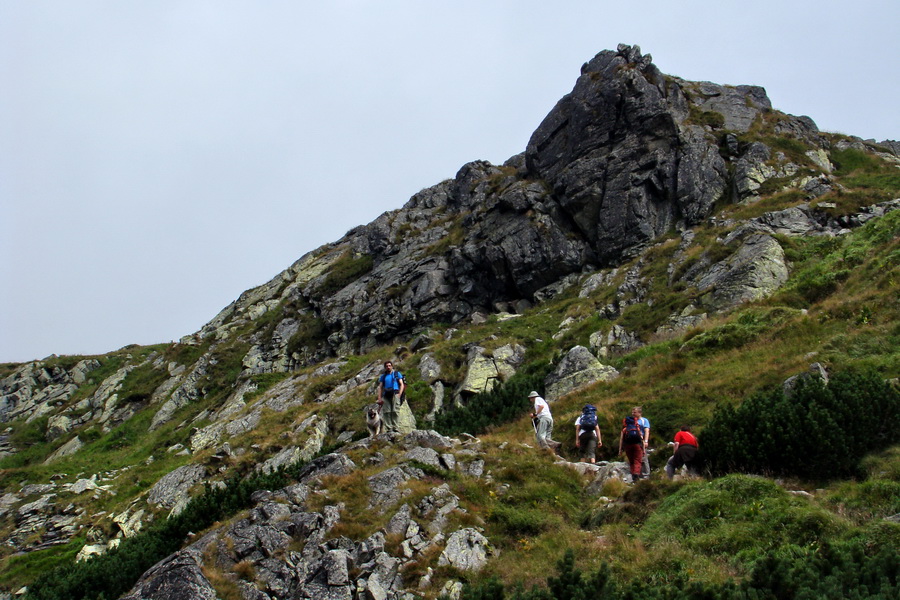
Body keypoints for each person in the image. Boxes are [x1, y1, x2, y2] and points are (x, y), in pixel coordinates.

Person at [619, 406, 647, 483]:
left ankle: (633, 476)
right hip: (637, 445)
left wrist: (620, 450)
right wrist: (644, 450)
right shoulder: (637, 428)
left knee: (631, 461)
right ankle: (636, 474)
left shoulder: (625, 429)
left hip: (628, 446)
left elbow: (621, 440)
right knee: (637, 460)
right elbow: (641, 439)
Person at [376, 360, 405, 433]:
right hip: (386, 394)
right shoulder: (383, 376)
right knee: (387, 412)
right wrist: (379, 398)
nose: (388, 367)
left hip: (395, 393)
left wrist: (399, 394)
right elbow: (380, 387)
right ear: (385, 368)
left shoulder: (397, 374)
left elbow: (401, 384)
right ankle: (389, 428)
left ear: (392, 366)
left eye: (389, 365)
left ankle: (396, 427)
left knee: (395, 410)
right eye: (386, 366)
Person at [636, 407, 651, 477]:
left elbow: (646, 430)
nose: (633, 414)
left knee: (644, 457)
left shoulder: (644, 420)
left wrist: (646, 441)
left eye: (635, 412)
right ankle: (637, 473)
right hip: (633, 441)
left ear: (640, 413)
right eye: (632, 412)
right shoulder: (631, 420)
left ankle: (646, 473)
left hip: (641, 440)